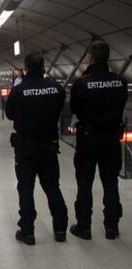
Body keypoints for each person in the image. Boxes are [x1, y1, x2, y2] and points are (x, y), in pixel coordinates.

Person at [5, 51, 68, 245]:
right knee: (52, 187)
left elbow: (9, 114)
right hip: (49, 145)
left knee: (25, 188)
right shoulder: (57, 89)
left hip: (25, 146)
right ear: (44, 67)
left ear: (26, 69)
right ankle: (60, 229)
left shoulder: (18, 90)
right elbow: (60, 111)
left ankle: (27, 232)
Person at [69, 40, 128, 240]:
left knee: (84, 184)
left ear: (91, 57)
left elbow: (74, 108)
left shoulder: (81, 82)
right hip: (112, 138)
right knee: (111, 183)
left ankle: (84, 227)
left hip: (88, 139)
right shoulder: (120, 81)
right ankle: (112, 227)